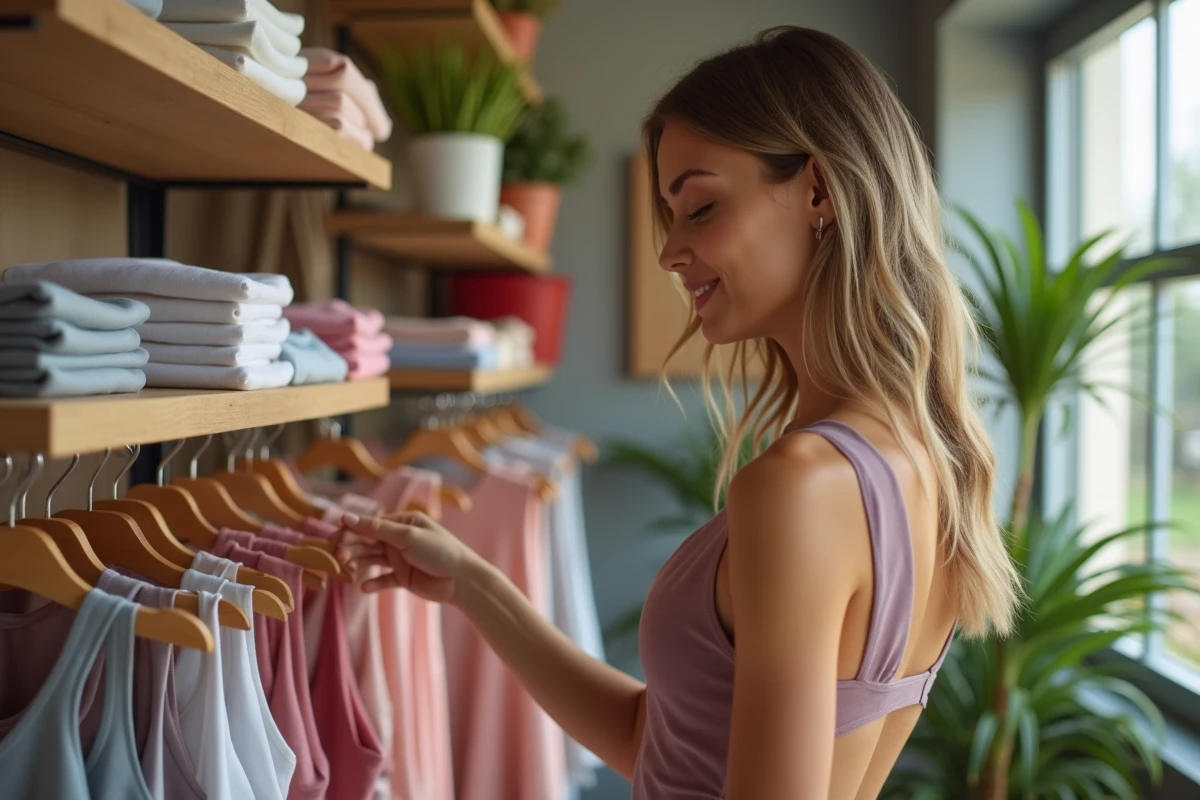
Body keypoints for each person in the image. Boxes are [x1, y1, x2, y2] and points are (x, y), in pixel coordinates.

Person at [339, 25, 1021, 800]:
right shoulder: (925, 463)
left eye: (700, 207)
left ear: (819, 191)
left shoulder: (801, 485)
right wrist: (474, 585)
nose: (669, 253)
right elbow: (659, 741)